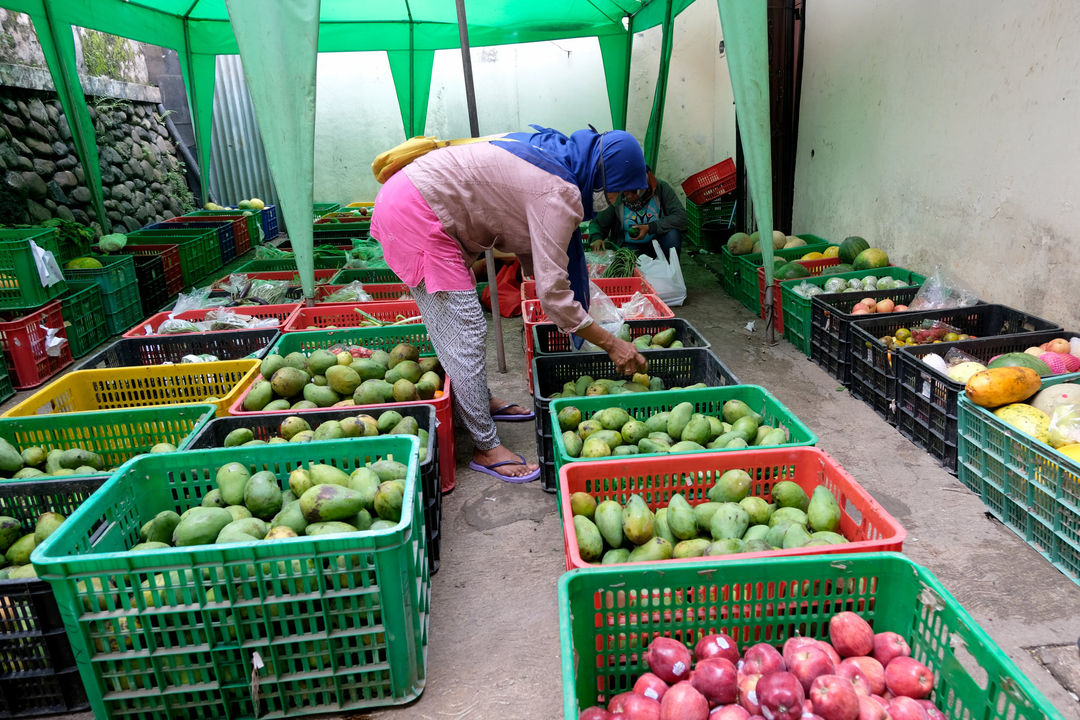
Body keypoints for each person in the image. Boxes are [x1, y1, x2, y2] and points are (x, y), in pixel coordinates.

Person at [369, 126, 649, 483]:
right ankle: (485, 446)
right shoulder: (558, 190)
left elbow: (524, 229)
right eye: (617, 193)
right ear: (601, 179)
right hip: (415, 213)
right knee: (465, 328)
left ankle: (478, 400)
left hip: (418, 199)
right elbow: (552, 295)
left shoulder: (557, 154)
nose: (617, 202)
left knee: (461, 326)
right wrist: (611, 344)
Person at [588, 166, 687, 259]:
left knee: (672, 236)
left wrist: (650, 227)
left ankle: (668, 271)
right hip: (628, 245)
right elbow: (598, 223)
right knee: (628, 261)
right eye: (626, 191)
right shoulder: (617, 194)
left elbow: (680, 216)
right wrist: (596, 237)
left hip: (656, 242)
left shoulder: (660, 189)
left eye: (634, 191)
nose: (629, 196)